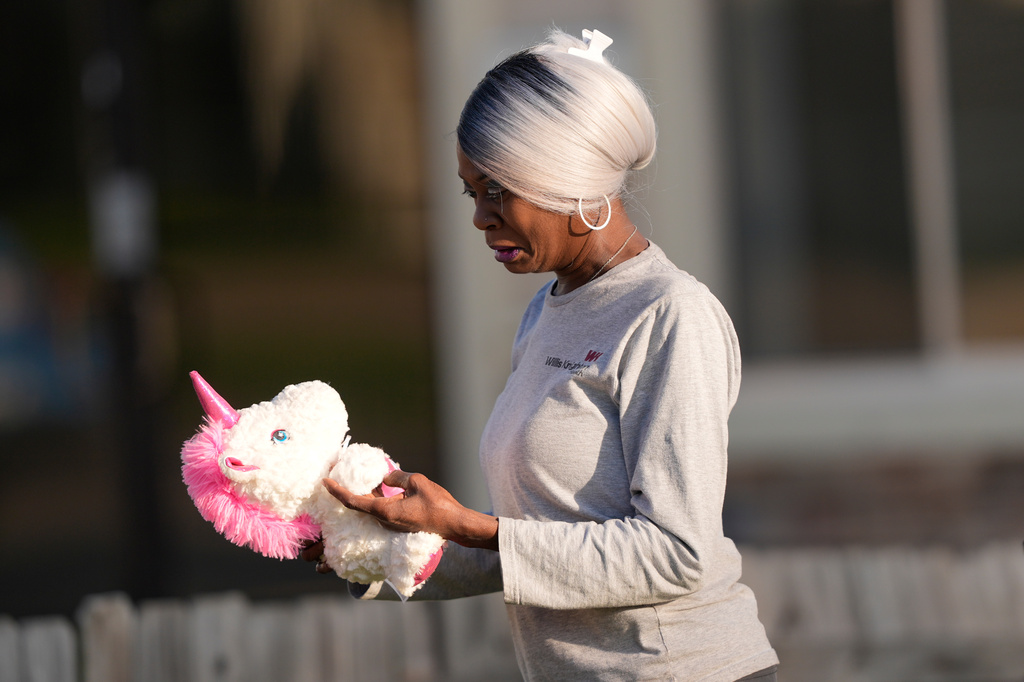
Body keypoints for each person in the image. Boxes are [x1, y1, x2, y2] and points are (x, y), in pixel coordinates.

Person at [303, 27, 780, 681]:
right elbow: (539, 545)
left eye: (499, 190)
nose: (480, 217)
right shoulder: (546, 312)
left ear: (569, 179)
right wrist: (369, 550)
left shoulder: (670, 315)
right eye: (472, 192)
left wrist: (470, 527)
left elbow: (677, 552)